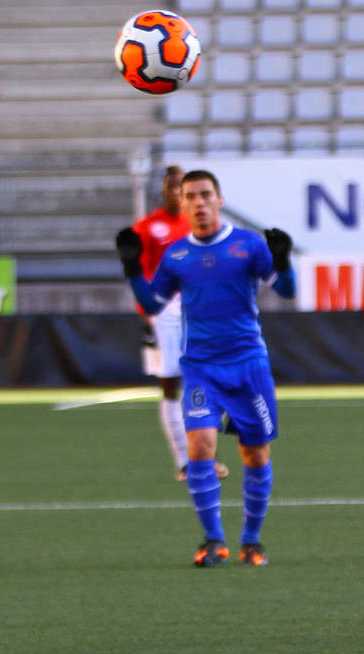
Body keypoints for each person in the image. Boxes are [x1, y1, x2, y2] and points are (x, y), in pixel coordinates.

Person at [124, 169, 296, 567]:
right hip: (201, 368)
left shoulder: (248, 245)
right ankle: (213, 540)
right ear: (182, 205)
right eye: (191, 197)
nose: (199, 203)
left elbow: (286, 291)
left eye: (205, 195)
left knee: (254, 453)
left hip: (248, 365)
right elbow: (152, 304)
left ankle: (251, 541)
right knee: (200, 447)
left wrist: (283, 263)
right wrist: (133, 271)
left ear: (219, 200)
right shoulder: (177, 255)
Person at [116, 166, 229, 483]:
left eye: (181, 187)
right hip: (164, 310)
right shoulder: (148, 227)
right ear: (164, 191)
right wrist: (145, 313)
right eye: (171, 187)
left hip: (200, 309)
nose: (176, 193)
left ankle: (204, 455)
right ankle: (184, 460)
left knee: (205, 381)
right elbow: (137, 271)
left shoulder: (199, 223)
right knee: (171, 384)